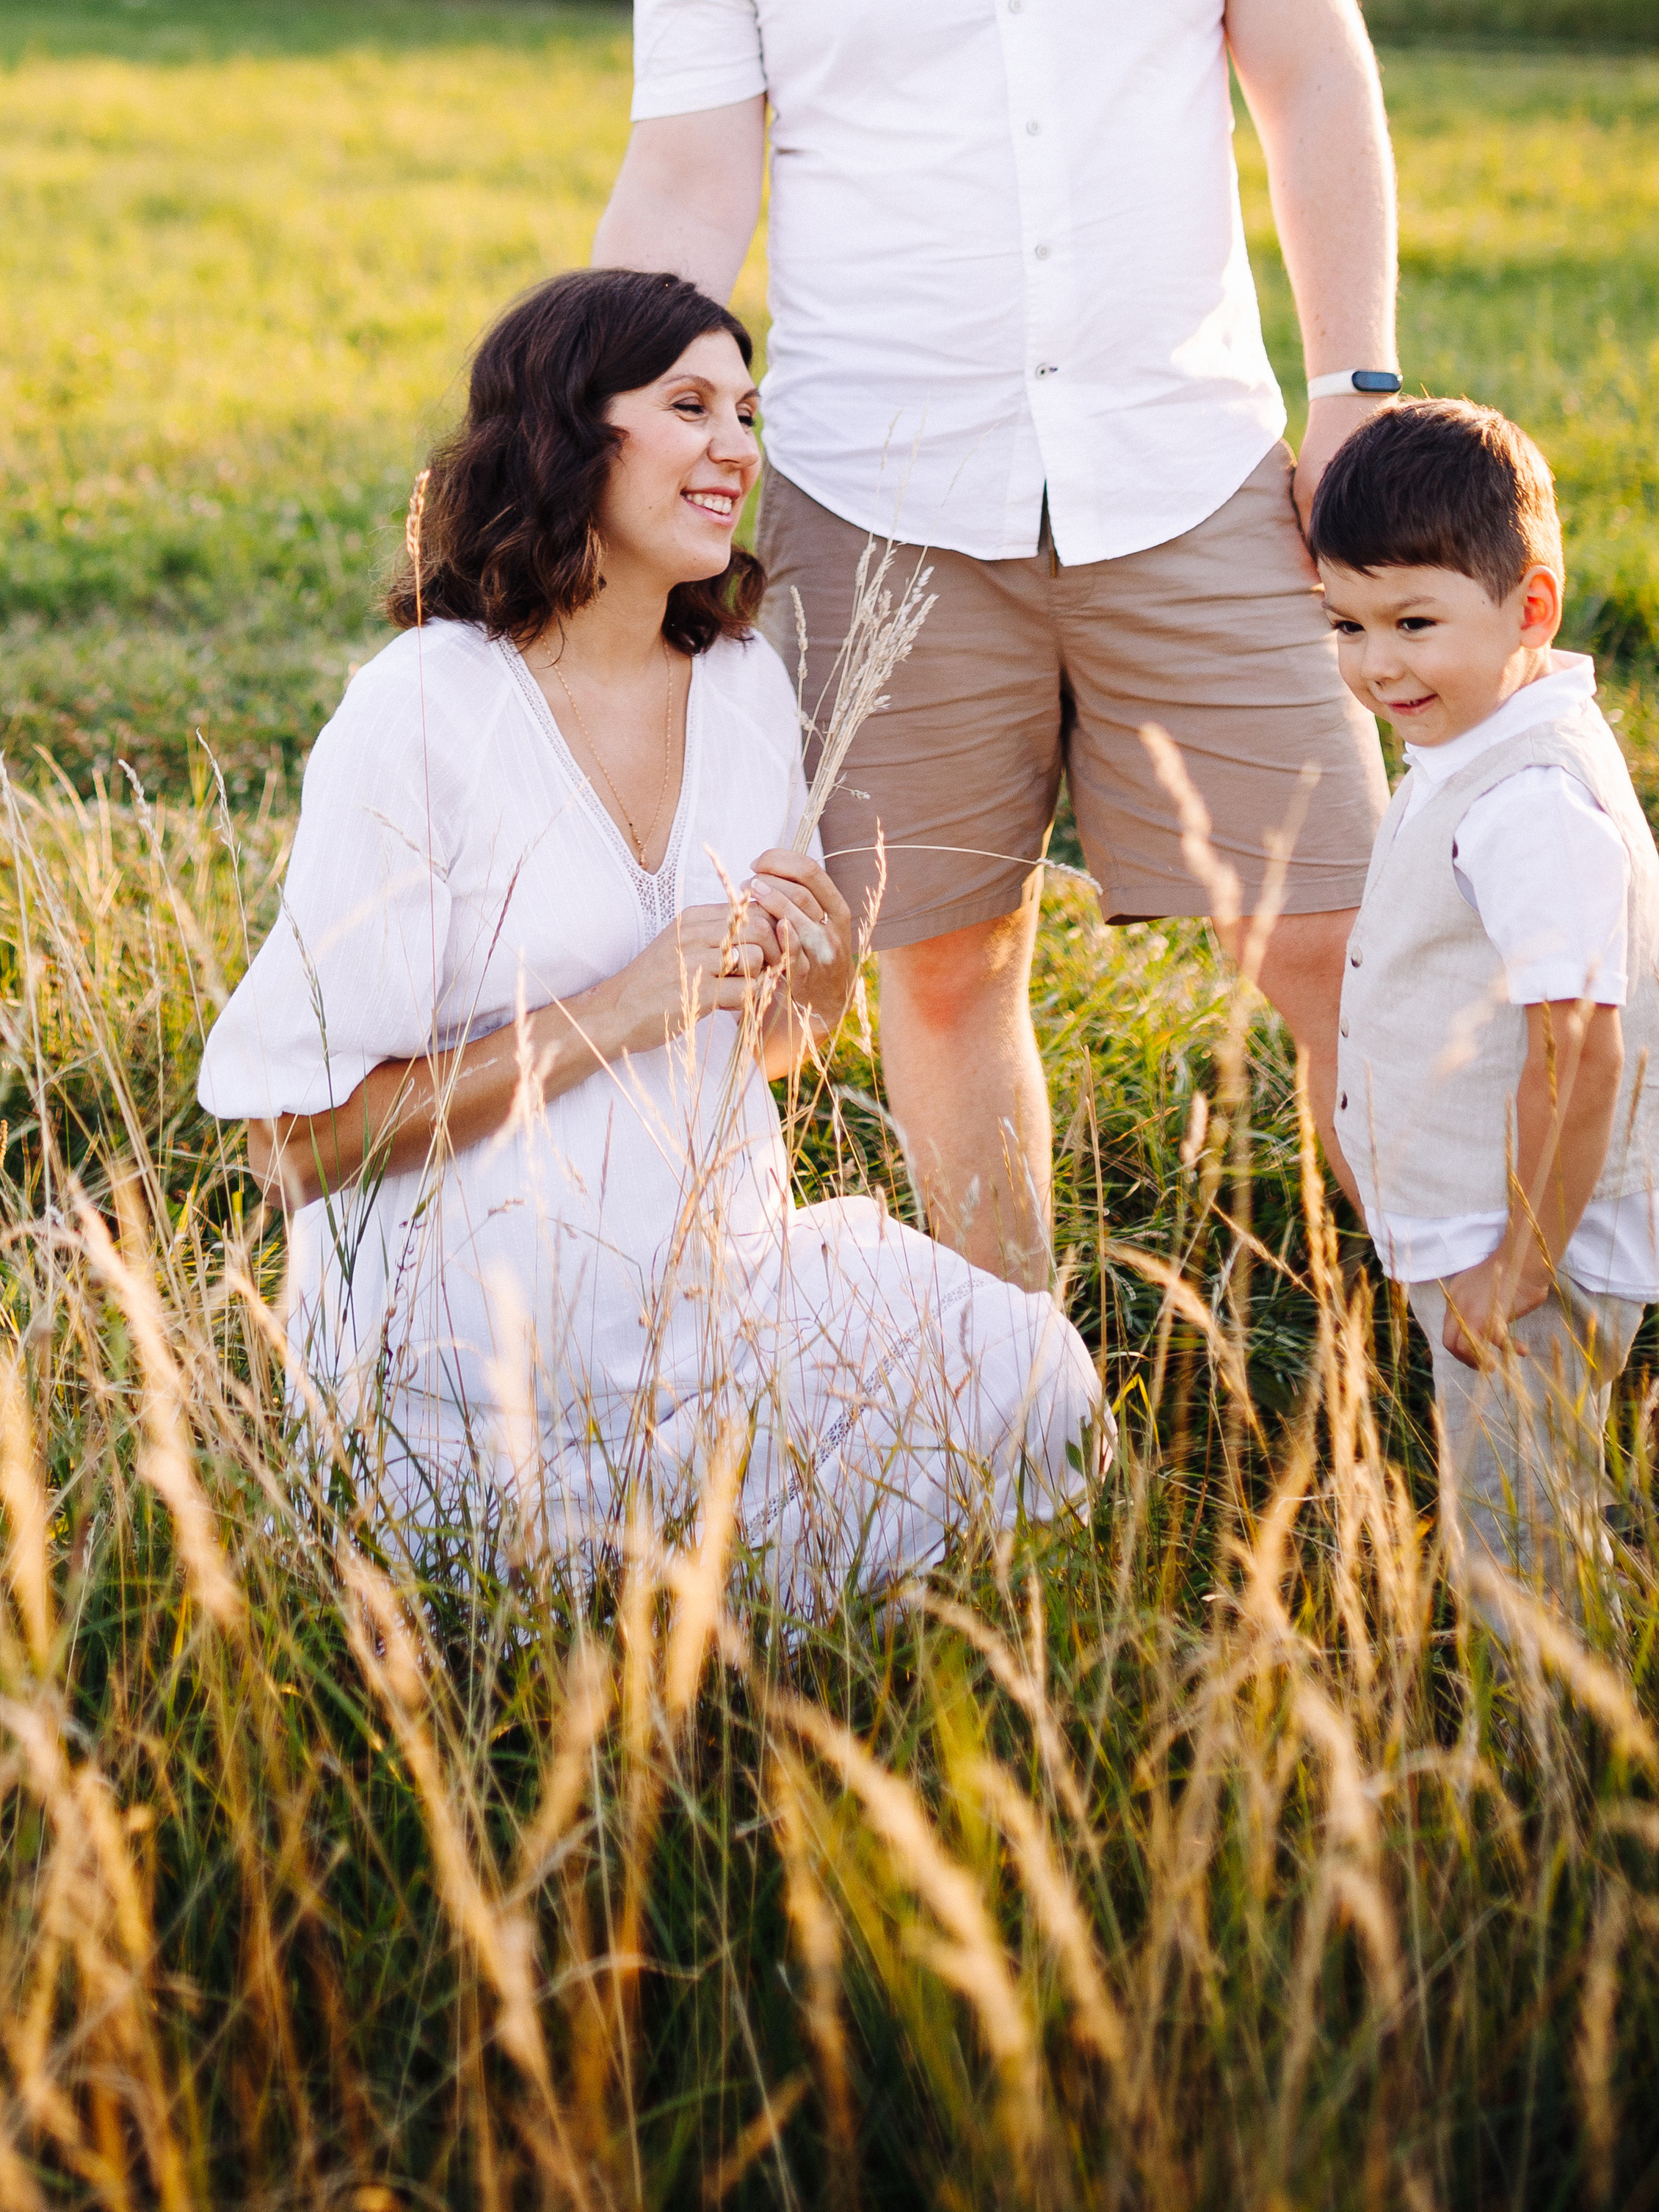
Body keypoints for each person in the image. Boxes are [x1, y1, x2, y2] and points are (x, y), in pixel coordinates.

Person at [595, 0, 1398, 1291]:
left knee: (1336, 935)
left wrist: (1354, 379)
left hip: (1188, 470)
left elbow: (1311, 81)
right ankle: (1011, 1403)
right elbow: (696, 187)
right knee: (944, 959)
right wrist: (598, 433)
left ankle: (1498, 1372)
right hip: (880, 501)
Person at [196, 268, 1104, 1606]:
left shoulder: (744, 690)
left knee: (1037, 1380)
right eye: (690, 405)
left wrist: (823, 976)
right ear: (569, 433)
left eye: (748, 411)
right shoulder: (423, 714)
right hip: (472, 1365)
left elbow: (768, 1045)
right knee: (606, 1618)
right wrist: (616, 1008)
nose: (737, 446)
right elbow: (293, 1149)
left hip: (720, 1312)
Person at [1308, 399, 1659, 1617]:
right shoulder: (1476, 743)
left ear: (1531, 608)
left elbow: (1578, 1053)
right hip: (1488, 1234)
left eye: (1415, 622)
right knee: (1528, 1506)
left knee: (1515, 1559)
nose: (1378, 664)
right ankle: (1604, 1642)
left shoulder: (1530, 802)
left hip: (1531, 1247)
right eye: (1347, 625)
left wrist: (1520, 1264)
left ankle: (1552, 1766)